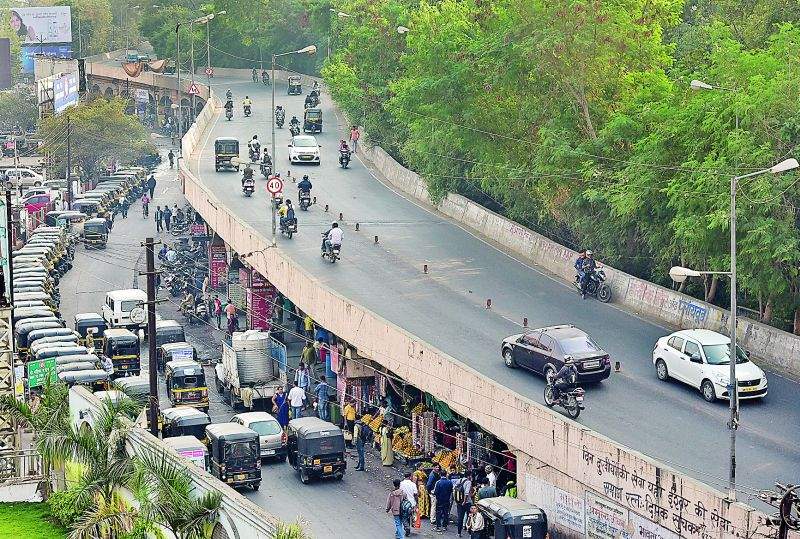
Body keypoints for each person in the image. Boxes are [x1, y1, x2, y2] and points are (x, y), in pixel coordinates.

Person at [400, 471, 418, 535]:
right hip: (412, 503)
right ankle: (410, 525)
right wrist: (416, 503)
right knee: (411, 515)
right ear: (410, 477)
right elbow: (415, 494)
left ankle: (407, 527)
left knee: (404, 516)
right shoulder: (413, 484)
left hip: (404, 503)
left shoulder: (401, 483)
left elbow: (400, 493)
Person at [426, 465, 442, 529]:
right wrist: (430, 491)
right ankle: (432, 519)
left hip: (434, 491)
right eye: (436, 467)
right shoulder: (432, 475)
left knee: (434, 505)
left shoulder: (436, 474)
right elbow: (429, 484)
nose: (437, 468)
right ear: (433, 467)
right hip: (433, 492)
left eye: (438, 467)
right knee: (434, 505)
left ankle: (433, 517)